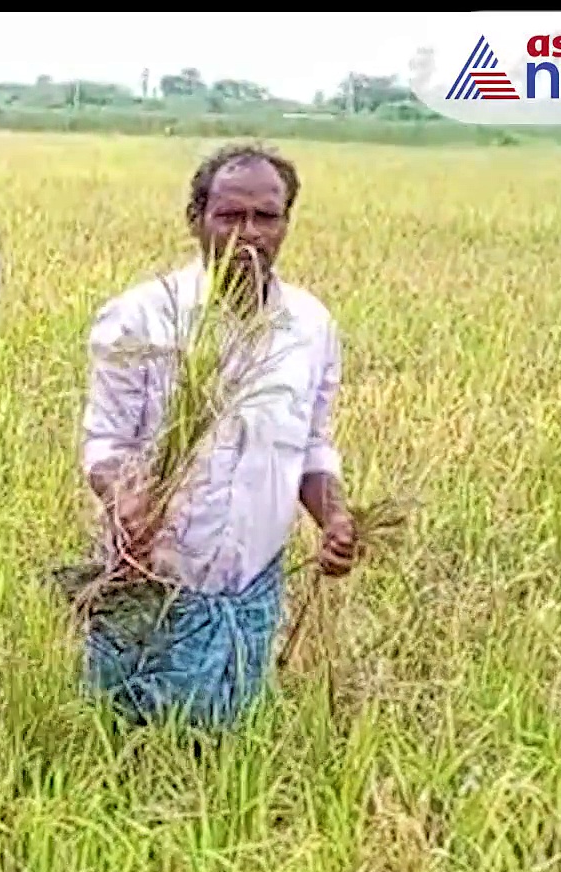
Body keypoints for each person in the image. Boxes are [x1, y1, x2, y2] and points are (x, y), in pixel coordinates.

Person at [78, 141, 359, 731]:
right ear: (196, 220)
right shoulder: (142, 317)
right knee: (125, 745)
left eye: (266, 217)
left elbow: (312, 443)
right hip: (153, 577)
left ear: (287, 222)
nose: (248, 234)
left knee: (226, 750)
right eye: (229, 216)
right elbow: (105, 444)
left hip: (251, 586)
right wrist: (124, 500)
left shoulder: (310, 325)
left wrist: (333, 517)